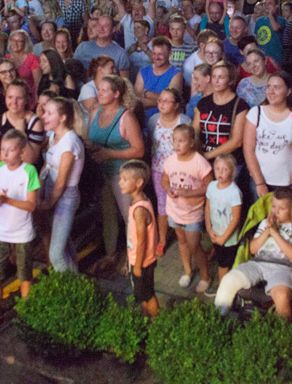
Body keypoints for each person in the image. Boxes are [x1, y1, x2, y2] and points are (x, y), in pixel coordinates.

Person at [214, 188, 292, 320]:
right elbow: (253, 249)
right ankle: (218, 320)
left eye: (282, 209)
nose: (275, 211)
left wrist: (274, 233)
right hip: (258, 262)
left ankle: (282, 330)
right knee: (228, 281)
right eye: (273, 206)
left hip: (282, 267)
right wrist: (267, 231)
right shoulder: (265, 223)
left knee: (282, 296)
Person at [88, 74, 145, 270]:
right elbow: (91, 139)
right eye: (99, 89)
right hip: (102, 173)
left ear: (116, 94)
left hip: (123, 175)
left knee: (130, 217)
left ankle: (134, 258)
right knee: (108, 216)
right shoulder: (95, 111)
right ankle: (111, 254)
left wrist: (109, 154)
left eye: (104, 90)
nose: (99, 93)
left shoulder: (126, 117)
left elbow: (139, 150)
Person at [0, 129, 40, 324]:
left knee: (24, 276)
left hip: (22, 232)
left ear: (22, 151)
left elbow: (31, 205)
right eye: (2, 149)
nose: (5, 154)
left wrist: (7, 200)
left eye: (11, 150)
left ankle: (25, 311)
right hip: (0, 231)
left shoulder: (29, 171)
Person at [162, 123, 214, 293]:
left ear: (191, 142)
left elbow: (210, 186)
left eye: (181, 141)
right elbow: (165, 180)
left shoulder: (199, 162)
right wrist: (168, 189)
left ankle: (205, 276)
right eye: (174, 140)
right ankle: (187, 271)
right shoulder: (171, 160)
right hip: (175, 209)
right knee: (182, 240)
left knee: (194, 245)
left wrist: (190, 193)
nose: (177, 145)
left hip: (192, 212)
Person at [38, 97, 85, 273]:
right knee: (64, 244)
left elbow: (61, 181)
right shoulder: (53, 136)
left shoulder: (69, 143)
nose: (44, 116)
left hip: (65, 196)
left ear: (62, 118)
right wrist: (41, 189)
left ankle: (70, 286)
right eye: (44, 112)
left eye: (49, 113)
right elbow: (47, 166)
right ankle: (75, 278)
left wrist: (49, 202)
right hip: (53, 191)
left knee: (56, 254)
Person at [243, 72, 292, 203]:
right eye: (269, 87)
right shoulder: (256, 113)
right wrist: (259, 182)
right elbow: (248, 149)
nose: (271, 91)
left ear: (288, 91)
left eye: (277, 87)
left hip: (289, 182)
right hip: (260, 180)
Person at [148, 87, 191, 255]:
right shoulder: (153, 120)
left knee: (181, 201)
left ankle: (184, 235)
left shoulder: (184, 121)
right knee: (162, 203)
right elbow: (151, 143)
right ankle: (162, 239)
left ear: (176, 105)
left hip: (180, 170)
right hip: (159, 169)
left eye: (167, 101)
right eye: (160, 100)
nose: (162, 104)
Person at [119, 160, 160, 317]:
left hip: (143, 262)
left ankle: (156, 323)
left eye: (124, 179)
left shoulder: (139, 210)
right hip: (137, 259)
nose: (120, 182)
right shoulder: (139, 201)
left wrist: (137, 266)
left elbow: (142, 241)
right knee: (143, 294)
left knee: (148, 295)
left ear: (138, 183)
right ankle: (147, 318)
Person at [194, 61, 247, 163]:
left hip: (228, 162)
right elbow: (195, 130)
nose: (216, 81)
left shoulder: (240, 106)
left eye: (221, 77)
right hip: (203, 160)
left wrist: (207, 156)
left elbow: (237, 141)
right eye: (214, 77)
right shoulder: (203, 102)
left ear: (230, 81)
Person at [205, 153, 242, 285]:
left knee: (227, 264)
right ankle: (224, 286)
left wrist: (224, 237)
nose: (220, 172)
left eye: (225, 169)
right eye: (217, 168)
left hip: (229, 238)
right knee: (221, 262)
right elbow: (208, 208)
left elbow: (236, 218)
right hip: (216, 234)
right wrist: (209, 229)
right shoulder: (211, 186)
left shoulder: (234, 192)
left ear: (233, 171)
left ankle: (226, 289)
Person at [0, 80, 43, 166]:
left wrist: (21, 133)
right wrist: (16, 158)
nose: (14, 102)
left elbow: (30, 160)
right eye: (10, 97)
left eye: (19, 98)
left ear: (26, 100)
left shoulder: (34, 122)